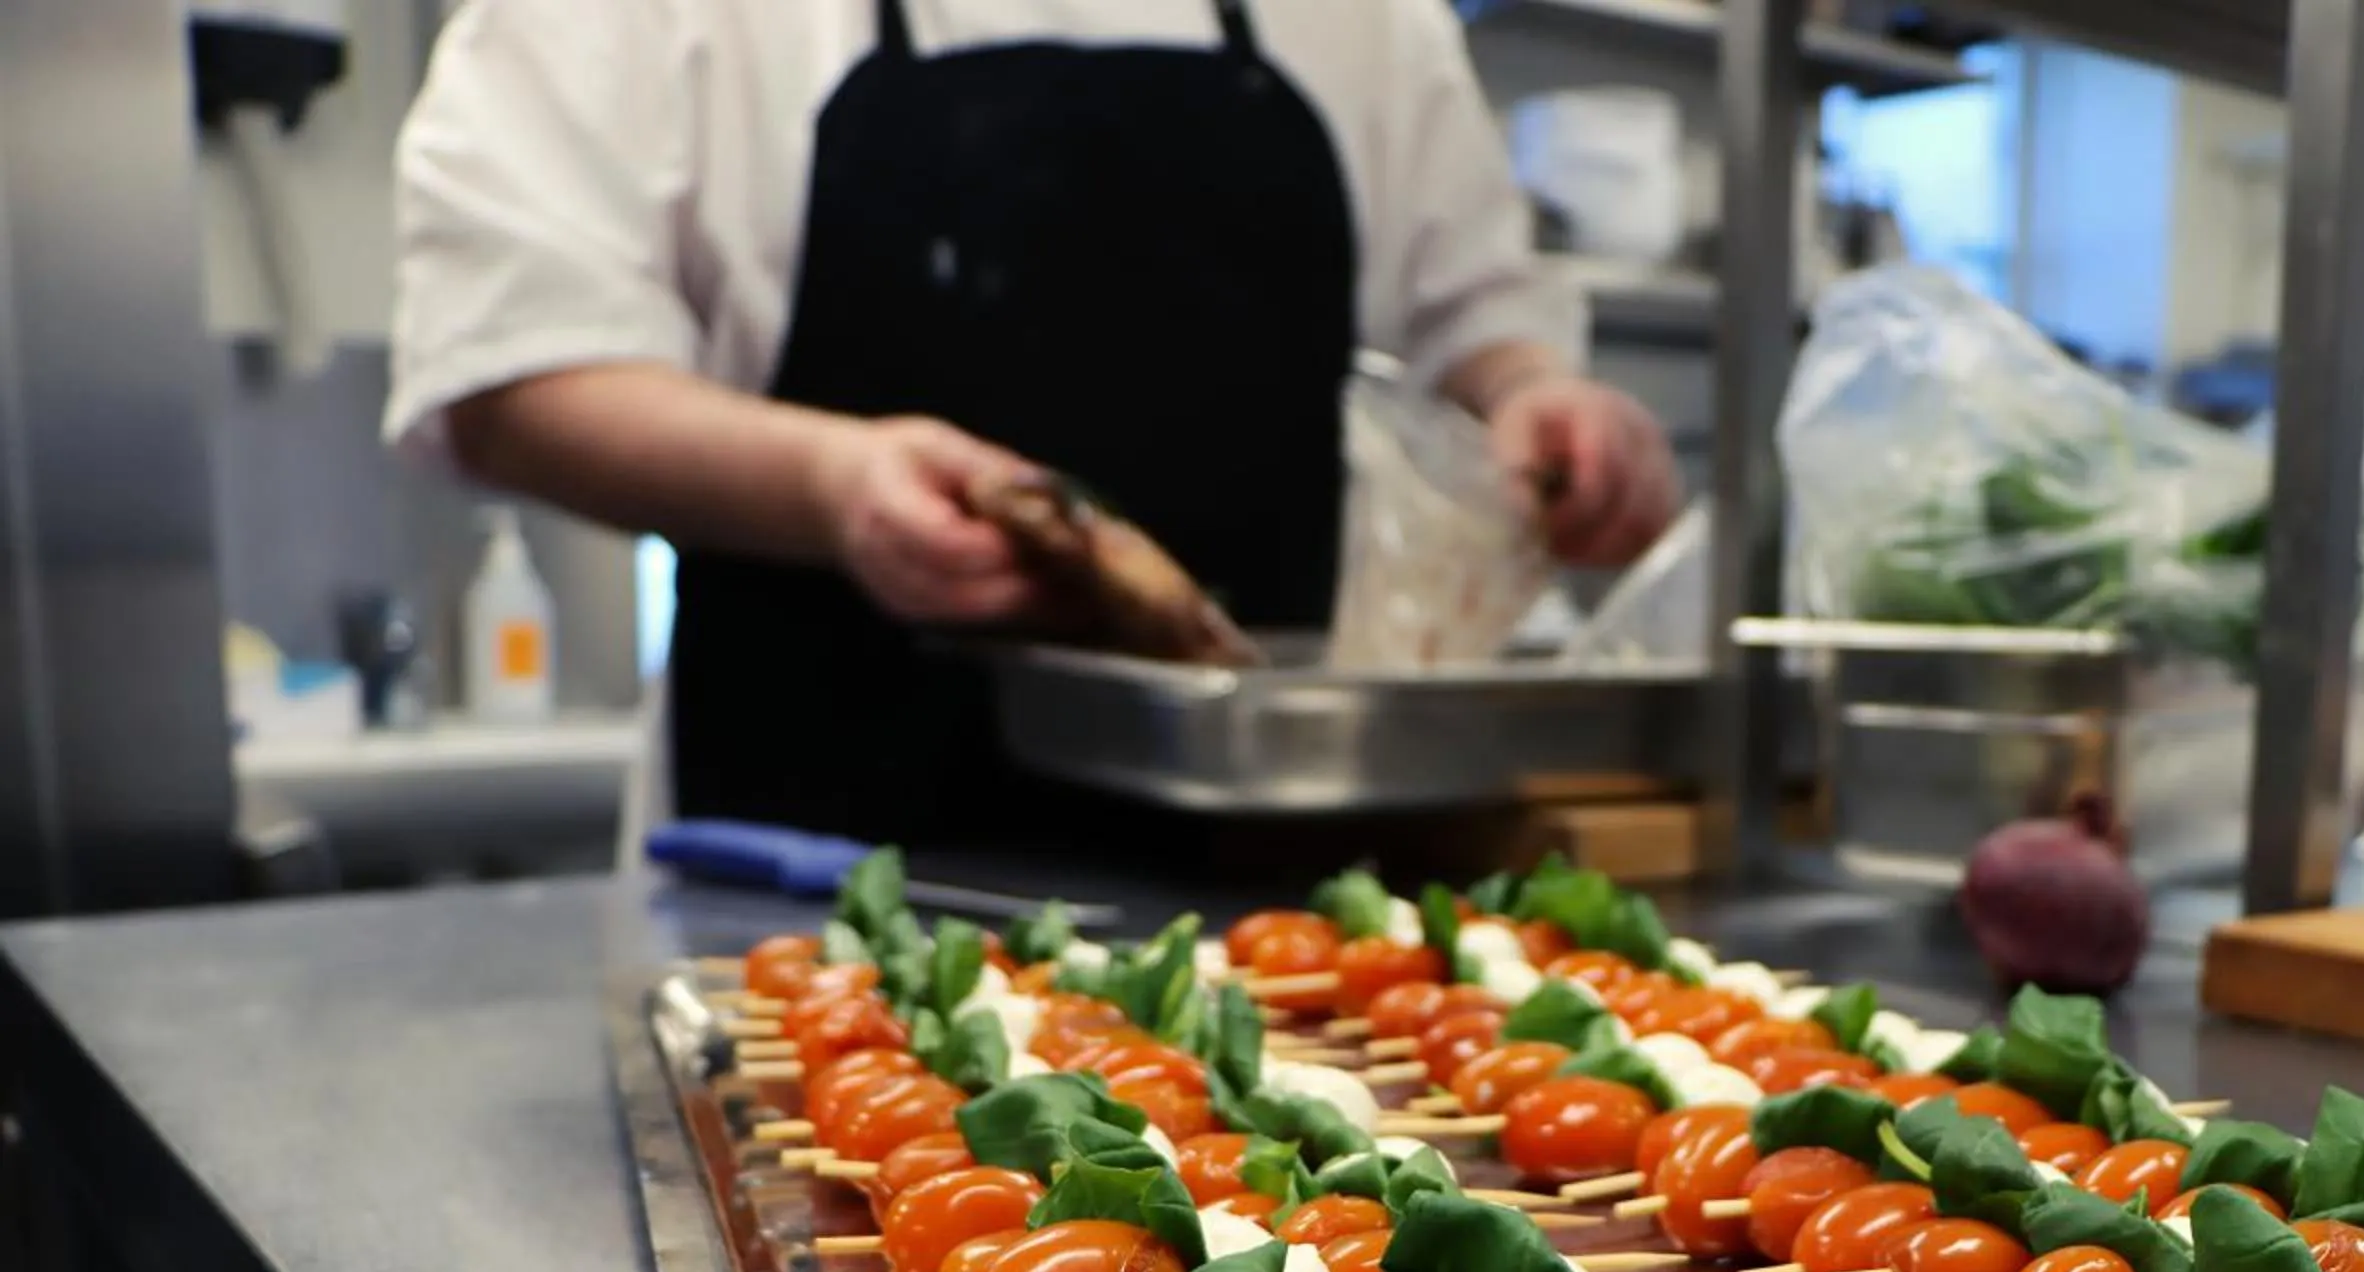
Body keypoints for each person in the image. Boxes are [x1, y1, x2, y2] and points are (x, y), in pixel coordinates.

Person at [386, 0, 1683, 845]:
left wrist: (1536, 406)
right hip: (824, 883)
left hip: (1289, 890)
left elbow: (1475, 321)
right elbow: (511, 375)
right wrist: (830, 484)